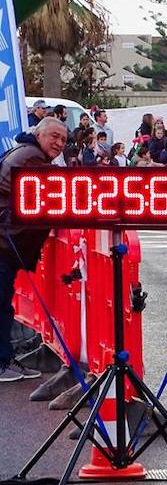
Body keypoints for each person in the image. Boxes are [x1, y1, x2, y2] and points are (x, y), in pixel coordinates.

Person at [0, 118, 68, 381]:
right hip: (5, 243)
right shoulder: (31, 158)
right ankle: (2, 363)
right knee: (1, 305)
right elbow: (56, 193)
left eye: (63, 140)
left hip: (7, 243)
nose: (59, 143)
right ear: (38, 134)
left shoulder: (25, 152)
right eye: (54, 136)